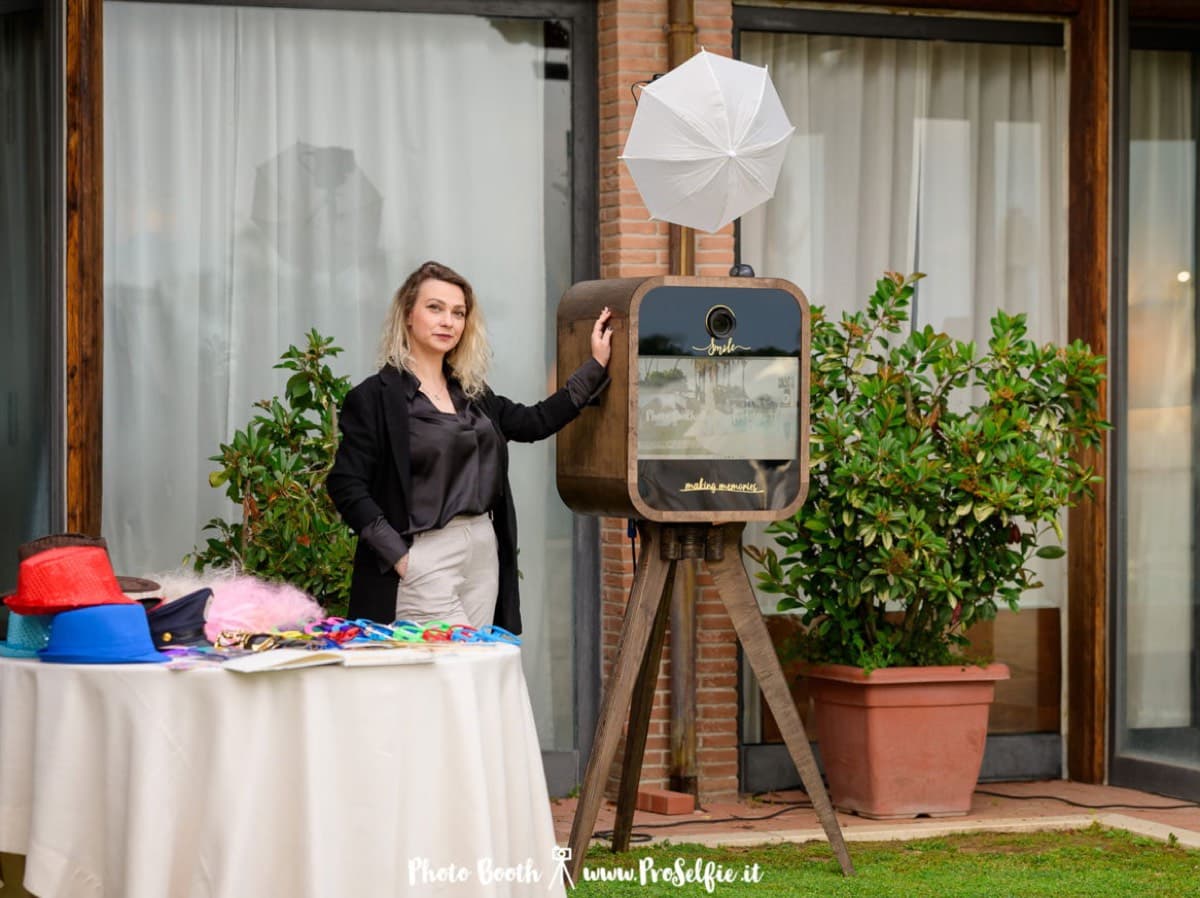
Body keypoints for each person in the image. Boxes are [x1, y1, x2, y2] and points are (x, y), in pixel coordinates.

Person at [327, 260, 612, 633]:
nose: (448, 321)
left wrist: (595, 364)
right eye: (435, 308)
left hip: (482, 548)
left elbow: (534, 422)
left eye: (458, 313)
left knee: (474, 671)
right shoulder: (374, 398)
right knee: (451, 673)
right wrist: (398, 556)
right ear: (408, 315)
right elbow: (345, 483)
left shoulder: (473, 395)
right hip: (424, 553)